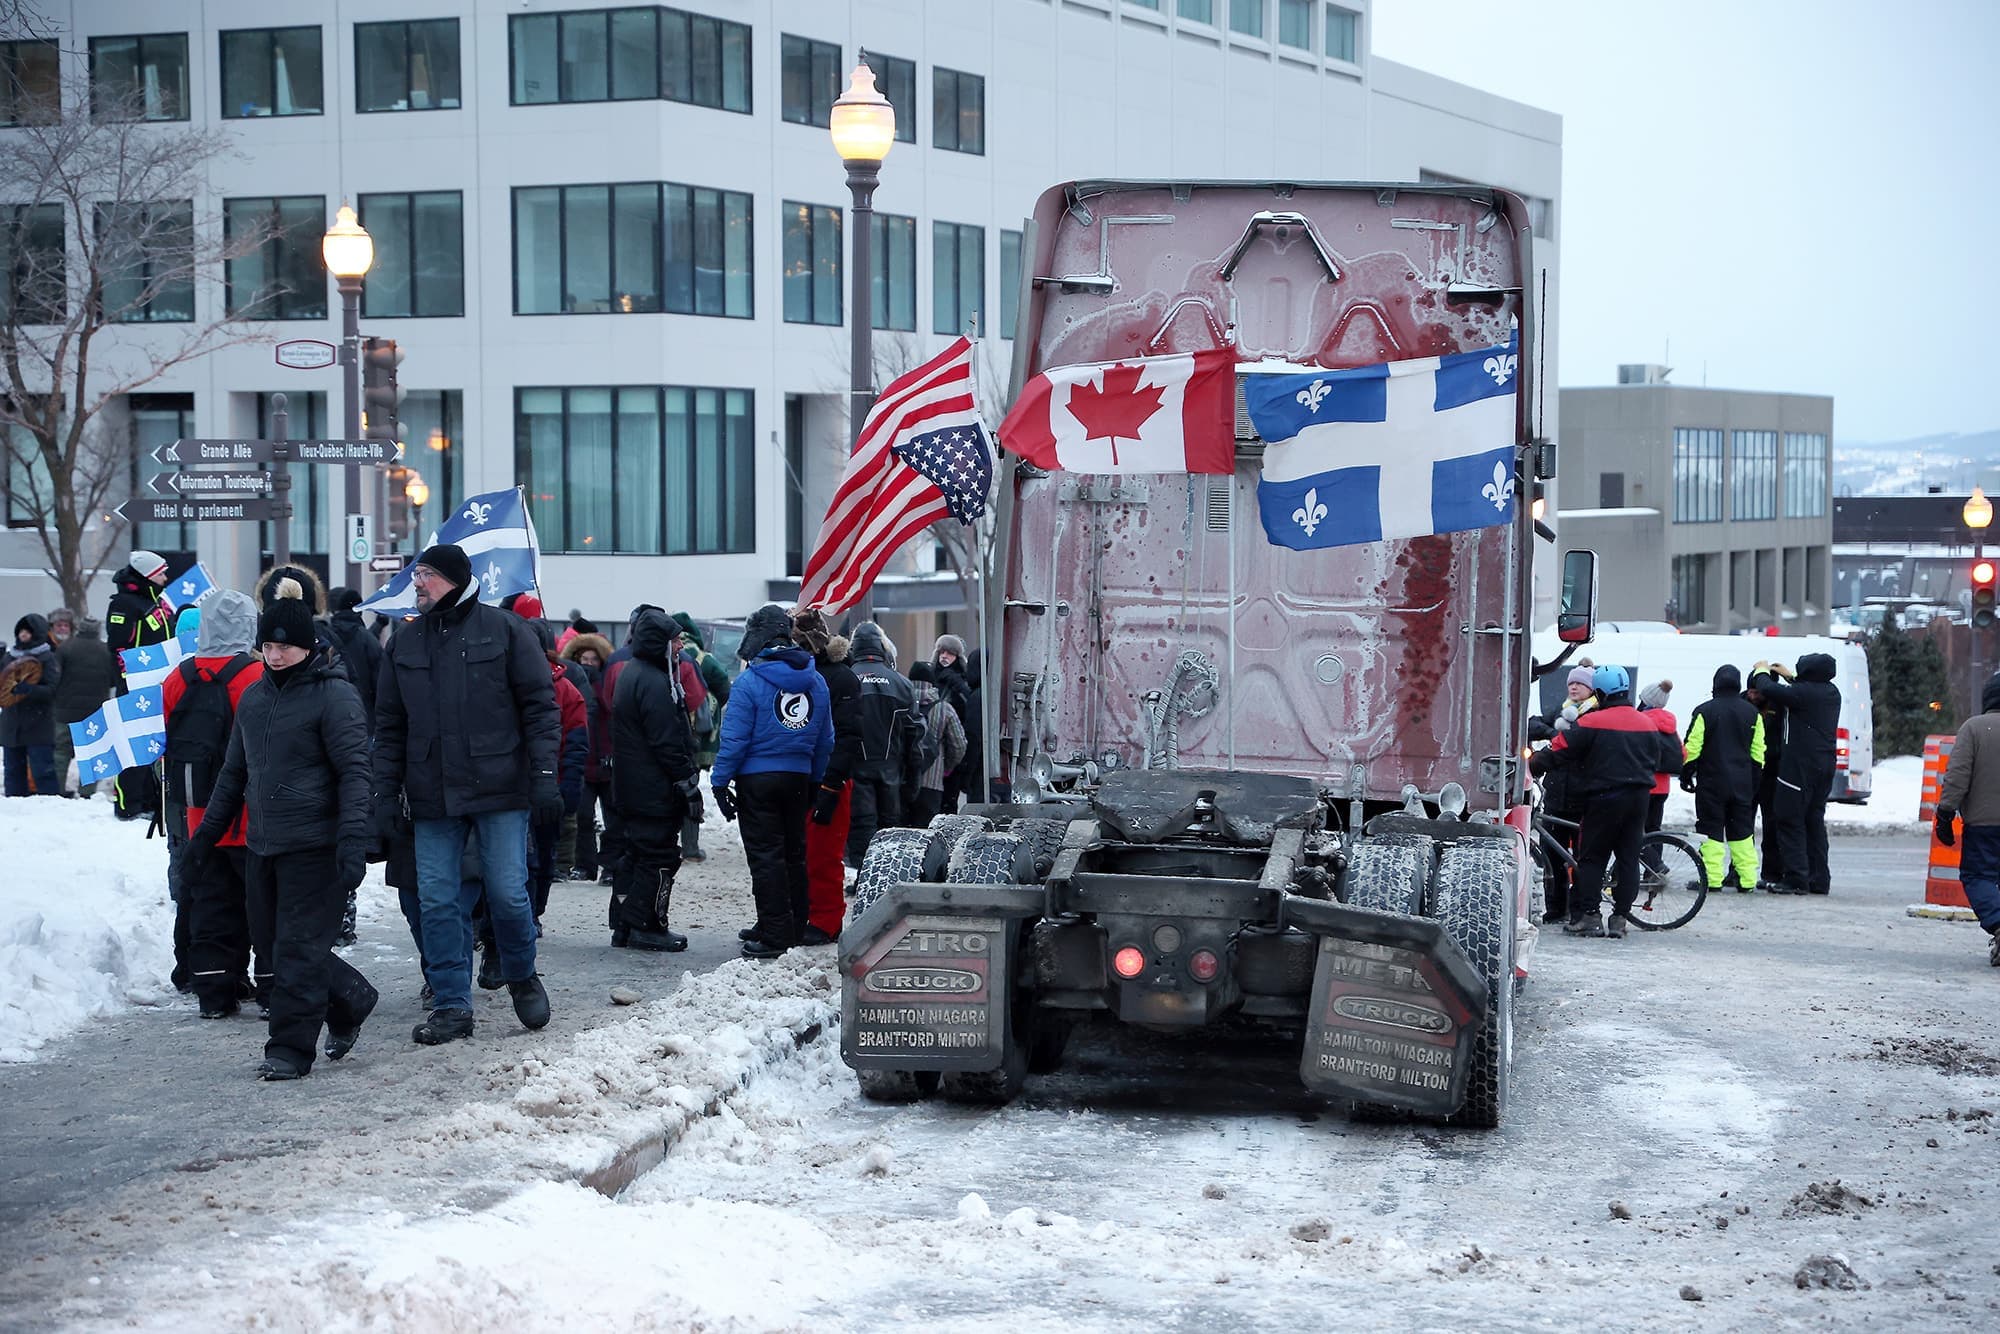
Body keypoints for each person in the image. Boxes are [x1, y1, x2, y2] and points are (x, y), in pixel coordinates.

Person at [184, 580, 376, 1080]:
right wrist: (205, 836)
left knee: (294, 950)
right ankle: (350, 999)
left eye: (283, 645)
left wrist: (353, 841)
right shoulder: (253, 699)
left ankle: (289, 1050)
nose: (273, 654)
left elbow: (356, 772)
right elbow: (233, 774)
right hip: (262, 844)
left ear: (306, 645)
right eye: (266, 646)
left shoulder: (335, 697)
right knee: (276, 947)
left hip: (316, 843)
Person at [373, 543, 557, 1044]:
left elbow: (541, 707)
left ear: (454, 578)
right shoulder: (404, 644)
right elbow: (388, 726)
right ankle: (452, 1005)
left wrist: (543, 775)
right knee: (437, 901)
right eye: (417, 574)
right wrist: (382, 796)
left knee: (507, 895)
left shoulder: (506, 631)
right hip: (432, 795)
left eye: (427, 574)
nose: (418, 583)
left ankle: (521, 974)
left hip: (501, 789)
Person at [161, 590, 266, 1018]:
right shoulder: (257, 674)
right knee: (262, 906)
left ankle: (214, 992)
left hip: (198, 817)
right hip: (252, 814)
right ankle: (271, 988)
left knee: (210, 908)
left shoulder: (178, 677)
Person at [712, 604, 832, 958]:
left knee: (766, 857)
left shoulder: (750, 682)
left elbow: (734, 739)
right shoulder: (817, 680)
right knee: (794, 854)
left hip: (757, 780)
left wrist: (720, 782)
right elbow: (826, 740)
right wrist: (815, 779)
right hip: (798, 777)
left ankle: (774, 933)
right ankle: (791, 926)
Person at [1529, 664, 1682, 939]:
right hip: (1638, 800)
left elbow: (1559, 750)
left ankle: (1590, 916)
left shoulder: (1591, 722)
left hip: (1603, 798)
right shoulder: (1645, 722)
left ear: (1599, 692)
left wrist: (1535, 764)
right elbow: (1662, 757)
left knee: (1592, 857)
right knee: (1627, 857)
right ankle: (1620, 918)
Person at [608, 607, 700, 951]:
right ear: (658, 642)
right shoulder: (652, 680)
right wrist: (686, 781)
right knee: (658, 856)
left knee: (637, 853)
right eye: (675, 640)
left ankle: (624, 925)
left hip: (634, 785)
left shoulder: (636, 673)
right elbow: (666, 739)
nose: (680, 646)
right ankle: (646, 924)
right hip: (651, 787)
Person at [792, 608, 861, 943]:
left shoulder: (840, 678)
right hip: (805, 777)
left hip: (829, 780)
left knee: (823, 855)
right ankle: (807, 915)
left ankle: (826, 921)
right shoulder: (810, 675)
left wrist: (832, 784)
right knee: (802, 853)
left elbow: (848, 735)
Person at [1748, 655, 1840, 896]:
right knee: (1813, 820)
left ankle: (1796, 878)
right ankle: (1819, 879)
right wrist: (1791, 677)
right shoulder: (1831, 692)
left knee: (1788, 817)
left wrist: (1761, 671)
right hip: (1825, 764)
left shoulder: (1803, 694)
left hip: (1800, 765)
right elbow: (1801, 689)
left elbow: (1767, 687)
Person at [1679, 665, 1766, 895]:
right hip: (1742, 783)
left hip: (1712, 782)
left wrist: (1686, 774)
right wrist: (1753, 782)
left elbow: (1693, 747)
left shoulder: (1704, 711)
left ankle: (1712, 879)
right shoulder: (1752, 714)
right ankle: (1747, 879)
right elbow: (1758, 753)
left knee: (1711, 830)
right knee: (1743, 832)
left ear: (1715, 684)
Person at [1934, 672, 2000, 967]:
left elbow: (1958, 775)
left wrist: (1945, 813)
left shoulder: (1974, 728)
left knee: (1978, 876)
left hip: (1985, 823)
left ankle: (1999, 924)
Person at [845, 621, 924, 865]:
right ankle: (886, 875)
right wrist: (913, 780)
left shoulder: (845, 679)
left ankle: (862, 875)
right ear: (882, 646)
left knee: (862, 826)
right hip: (891, 771)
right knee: (889, 829)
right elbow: (916, 735)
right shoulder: (901, 683)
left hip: (853, 771)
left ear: (853, 647)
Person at [104, 550, 174, 820]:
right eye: (161, 574)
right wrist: (130, 679)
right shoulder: (125, 604)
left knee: (151, 746)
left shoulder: (156, 601)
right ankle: (128, 804)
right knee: (133, 746)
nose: (166, 578)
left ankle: (147, 800)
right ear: (148, 576)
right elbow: (118, 647)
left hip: (158, 684)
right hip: (135, 686)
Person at [1526, 665, 1599, 923]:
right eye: (1571, 683)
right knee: (1552, 855)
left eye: (1580, 684)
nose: (1574, 687)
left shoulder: (1594, 714)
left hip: (1583, 797)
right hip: (1557, 794)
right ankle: (1556, 908)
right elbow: (1532, 724)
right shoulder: (1562, 711)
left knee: (1580, 858)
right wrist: (1551, 732)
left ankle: (1579, 910)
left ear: (1592, 689)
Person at [559, 630, 614, 880]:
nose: (589, 664)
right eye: (584, 659)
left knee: (613, 818)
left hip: (608, 760)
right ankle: (585, 866)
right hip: (584, 761)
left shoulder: (609, 686)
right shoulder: (570, 686)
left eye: (594, 659)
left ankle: (611, 867)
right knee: (583, 817)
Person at [51, 615, 116, 797]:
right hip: (94, 713)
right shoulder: (106, 651)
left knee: (62, 752)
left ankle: (57, 789)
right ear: (97, 630)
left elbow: (55, 677)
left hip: (65, 710)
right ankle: (87, 792)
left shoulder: (65, 648)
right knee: (91, 753)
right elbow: (112, 680)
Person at [2, 614, 61, 796]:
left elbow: (51, 690)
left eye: (28, 631)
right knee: (12, 772)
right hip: (12, 725)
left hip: (38, 725)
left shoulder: (47, 658)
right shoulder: (9, 657)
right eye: (21, 630)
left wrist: (28, 690)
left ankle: (49, 805)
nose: (23, 634)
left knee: (43, 771)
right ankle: (15, 804)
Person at [906, 662, 967, 827]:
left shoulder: (901, 703)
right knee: (927, 835)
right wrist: (946, 767)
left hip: (901, 781)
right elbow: (959, 745)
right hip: (932, 784)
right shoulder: (944, 708)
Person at [1745, 675, 1788, 891]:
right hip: (1748, 773)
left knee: (1771, 825)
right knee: (1742, 826)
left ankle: (1772, 872)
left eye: (1757, 692)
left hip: (1771, 773)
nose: (1753, 696)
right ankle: (1740, 871)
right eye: (1750, 691)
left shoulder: (1779, 706)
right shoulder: (1743, 703)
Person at [325, 588, 382, 734]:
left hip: (331, 715)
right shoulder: (366, 638)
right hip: (364, 715)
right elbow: (381, 682)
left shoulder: (326, 636)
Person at [1636, 679, 1677, 869]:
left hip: (1643, 784)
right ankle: (1652, 871)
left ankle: (1654, 865)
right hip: (1663, 787)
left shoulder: (1642, 721)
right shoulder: (1670, 723)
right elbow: (1682, 752)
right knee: (1654, 829)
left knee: (1635, 829)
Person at [931, 634, 973, 811]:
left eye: (949, 653)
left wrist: (959, 685)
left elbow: (969, 707)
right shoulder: (931, 677)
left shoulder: (963, 681)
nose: (944, 656)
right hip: (933, 747)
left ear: (957, 657)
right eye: (941, 651)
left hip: (953, 748)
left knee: (949, 800)